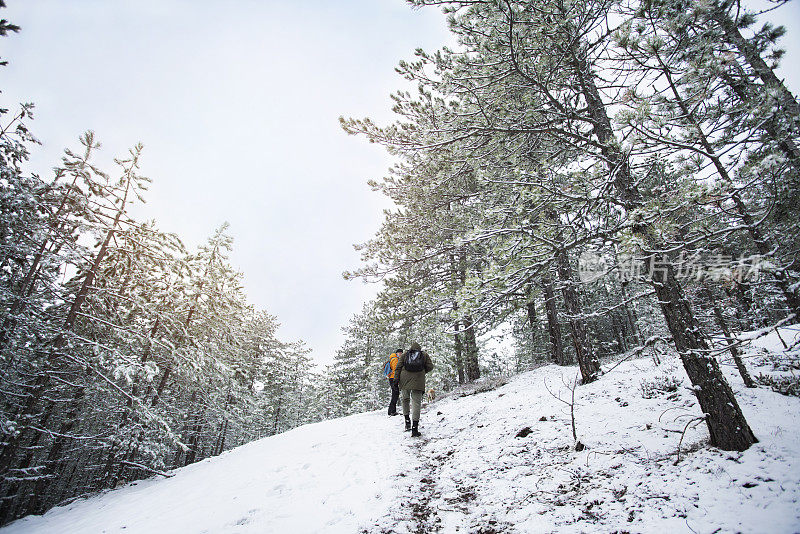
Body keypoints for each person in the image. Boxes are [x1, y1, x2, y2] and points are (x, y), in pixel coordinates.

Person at [395, 342, 434, 437]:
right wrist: (422, 371)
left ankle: (407, 421)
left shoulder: (405, 354)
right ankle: (415, 428)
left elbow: (398, 367)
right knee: (416, 403)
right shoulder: (424, 355)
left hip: (404, 380)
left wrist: (396, 380)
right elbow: (430, 366)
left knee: (405, 400)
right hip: (418, 381)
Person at [386, 349, 402, 416]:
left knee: (395, 394)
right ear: (397, 353)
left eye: (401, 353)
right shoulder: (395, 359)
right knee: (395, 394)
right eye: (400, 353)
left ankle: (391, 411)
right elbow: (396, 369)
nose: (400, 354)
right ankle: (392, 411)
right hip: (393, 378)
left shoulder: (393, 358)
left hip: (392, 378)